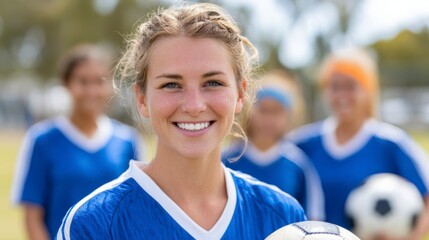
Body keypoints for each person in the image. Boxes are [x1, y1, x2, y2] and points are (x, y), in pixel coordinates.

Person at [56, 3, 306, 240]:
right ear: (142, 98)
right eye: (171, 85)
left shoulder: (282, 217)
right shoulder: (94, 223)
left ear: (240, 94)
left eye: (213, 83)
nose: (194, 106)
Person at [289, 48, 429, 239]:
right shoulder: (302, 144)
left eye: (350, 86)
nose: (342, 95)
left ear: (367, 91)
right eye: (335, 87)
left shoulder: (392, 143)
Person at [10, 44, 141, 240]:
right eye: (82, 81)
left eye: (99, 81)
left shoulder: (127, 141)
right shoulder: (42, 140)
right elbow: (32, 216)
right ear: (66, 84)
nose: (91, 90)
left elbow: (134, 211)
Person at [223, 71, 324, 220]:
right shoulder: (228, 158)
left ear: (288, 116)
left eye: (277, 111)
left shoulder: (298, 165)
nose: (269, 119)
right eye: (264, 110)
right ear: (250, 111)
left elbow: (313, 218)